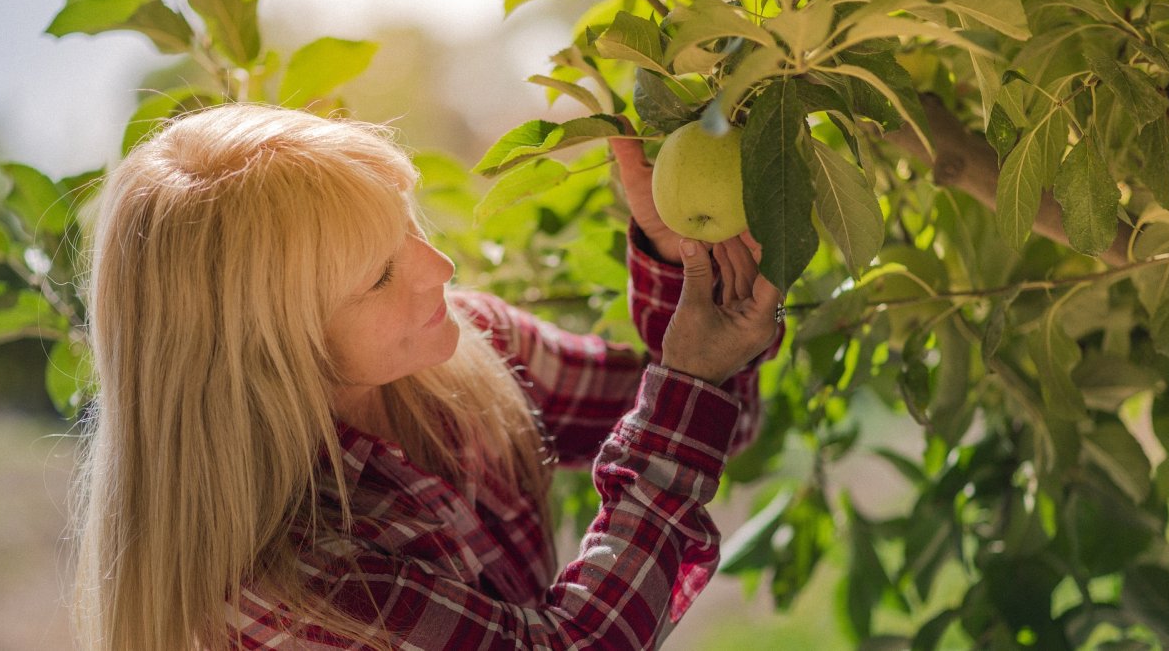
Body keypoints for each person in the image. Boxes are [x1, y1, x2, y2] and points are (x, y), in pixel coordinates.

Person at [72, 103, 784, 650]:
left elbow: (710, 417)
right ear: (267, 353)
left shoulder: (468, 350)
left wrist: (679, 262)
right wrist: (689, 379)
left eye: (404, 223)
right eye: (380, 275)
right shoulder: (282, 584)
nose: (438, 269)